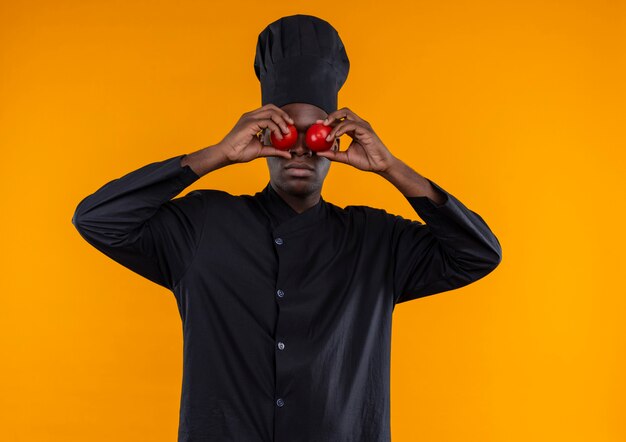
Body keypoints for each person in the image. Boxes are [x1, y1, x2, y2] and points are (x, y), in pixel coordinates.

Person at [72, 14, 502, 442]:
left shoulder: (376, 240)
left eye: (313, 134)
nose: (299, 148)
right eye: (282, 133)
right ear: (262, 136)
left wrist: (392, 168)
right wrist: (218, 154)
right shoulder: (202, 225)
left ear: (333, 141)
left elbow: (477, 254)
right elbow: (99, 219)